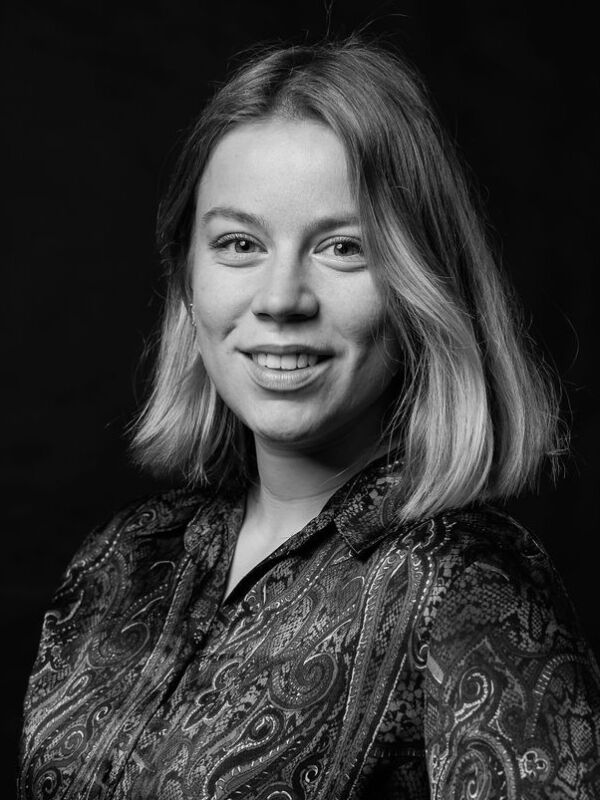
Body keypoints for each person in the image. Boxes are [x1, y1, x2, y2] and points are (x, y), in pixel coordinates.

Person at [18, 37, 600, 800]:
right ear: (187, 276)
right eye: (239, 243)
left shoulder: (468, 586)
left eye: (343, 248)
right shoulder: (123, 560)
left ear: (420, 284)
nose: (281, 298)